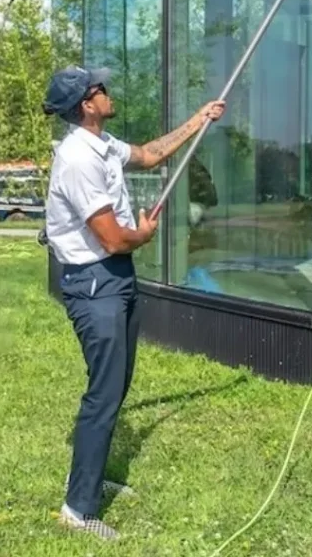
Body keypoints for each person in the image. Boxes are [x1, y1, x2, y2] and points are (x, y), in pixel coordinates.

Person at [42, 65, 225, 541]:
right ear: (87, 103)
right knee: (103, 392)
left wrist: (198, 120)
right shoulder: (77, 159)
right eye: (100, 88)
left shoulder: (101, 143)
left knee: (118, 383)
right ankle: (77, 508)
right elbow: (112, 239)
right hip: (95, 281)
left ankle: (89, 475)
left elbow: (147, 155)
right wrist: (141, 235)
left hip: (116, 277)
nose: (107, 91)